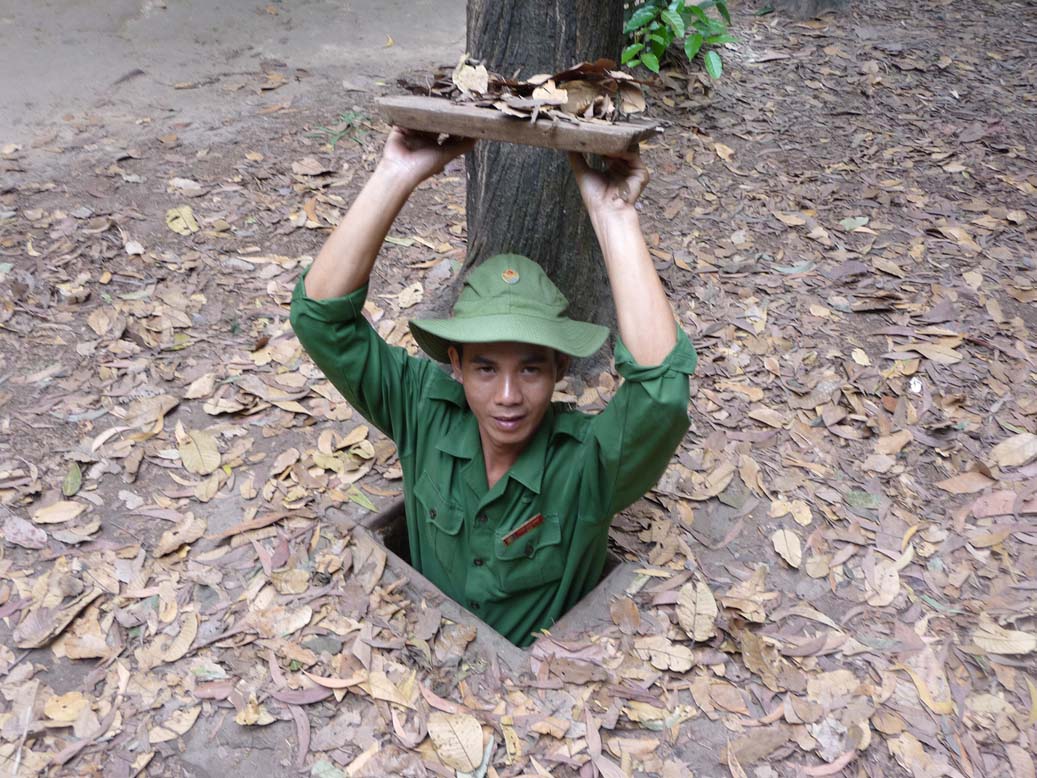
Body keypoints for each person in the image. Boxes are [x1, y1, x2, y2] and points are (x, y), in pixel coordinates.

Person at [290, 128, 697, 647]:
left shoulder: (588, 467)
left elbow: (660, 393)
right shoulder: (421, 410)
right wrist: (397, 173)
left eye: (530, 369)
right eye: (486, 369)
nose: (508, 395)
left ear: (560, 368)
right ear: (455, 366)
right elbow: (320, 321)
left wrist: (614, 216)